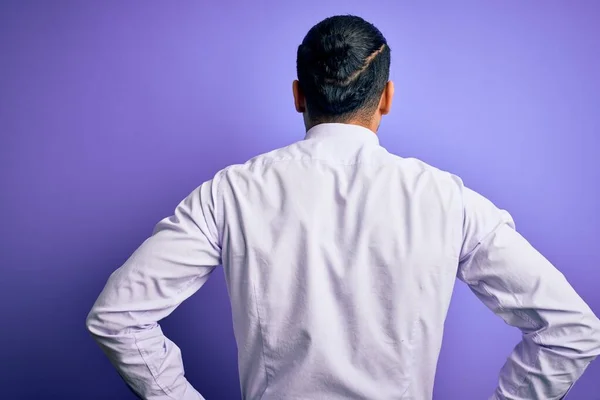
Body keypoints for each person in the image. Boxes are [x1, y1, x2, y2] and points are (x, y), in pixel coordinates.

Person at [86, 15, 600, 400]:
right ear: (387, 98)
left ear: (297, 95)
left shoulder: (232, 192)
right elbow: (572, 331)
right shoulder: (447, 199)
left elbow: (117, 317)